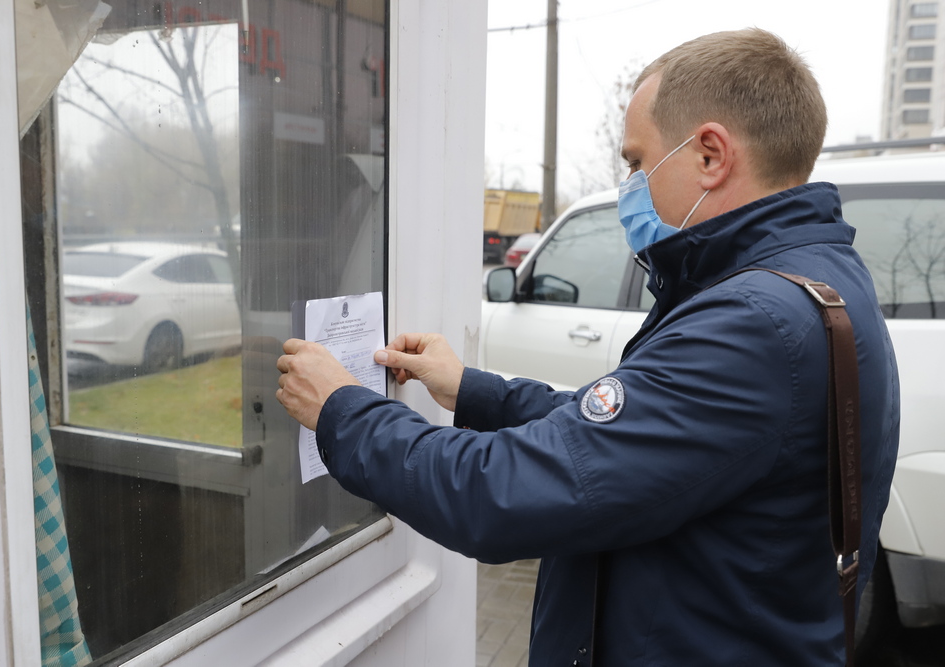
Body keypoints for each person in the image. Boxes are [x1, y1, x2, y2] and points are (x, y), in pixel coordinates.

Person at [275, 28, 900, 666]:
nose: (629, 182)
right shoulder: (816, 280)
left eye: (636, 161)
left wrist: (342, 410)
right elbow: (620, 440)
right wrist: (471, 390)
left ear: (710, 154)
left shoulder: (753, 324)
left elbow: (504, 494)